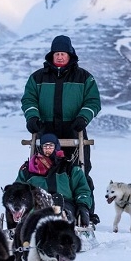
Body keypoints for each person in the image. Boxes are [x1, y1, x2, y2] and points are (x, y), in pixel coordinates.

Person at [22, 35, 101, 191]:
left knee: (80, 172)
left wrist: (83, 118)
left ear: (70, 55)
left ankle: (85, 211)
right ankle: (37, 206)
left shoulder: (84, 77)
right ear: (52, 55)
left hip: (74, 129)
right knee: (40, 169)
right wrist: (32, 118)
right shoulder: (37, 77)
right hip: (45, 129)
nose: (59, 57)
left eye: (62, 54)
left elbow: (93, 101)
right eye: (56, 53)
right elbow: (29, 99)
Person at [16, 133, 94, 227]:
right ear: (40, 148)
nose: (48, 148)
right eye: (45, 146)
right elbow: (17, 190)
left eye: (51, 145)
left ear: (56, 147)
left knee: (58, 203)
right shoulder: (28, 170)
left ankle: (60, 223)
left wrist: (83, 206)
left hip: (65, 203)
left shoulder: (69, 168)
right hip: (36, 204)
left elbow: (82, 190)